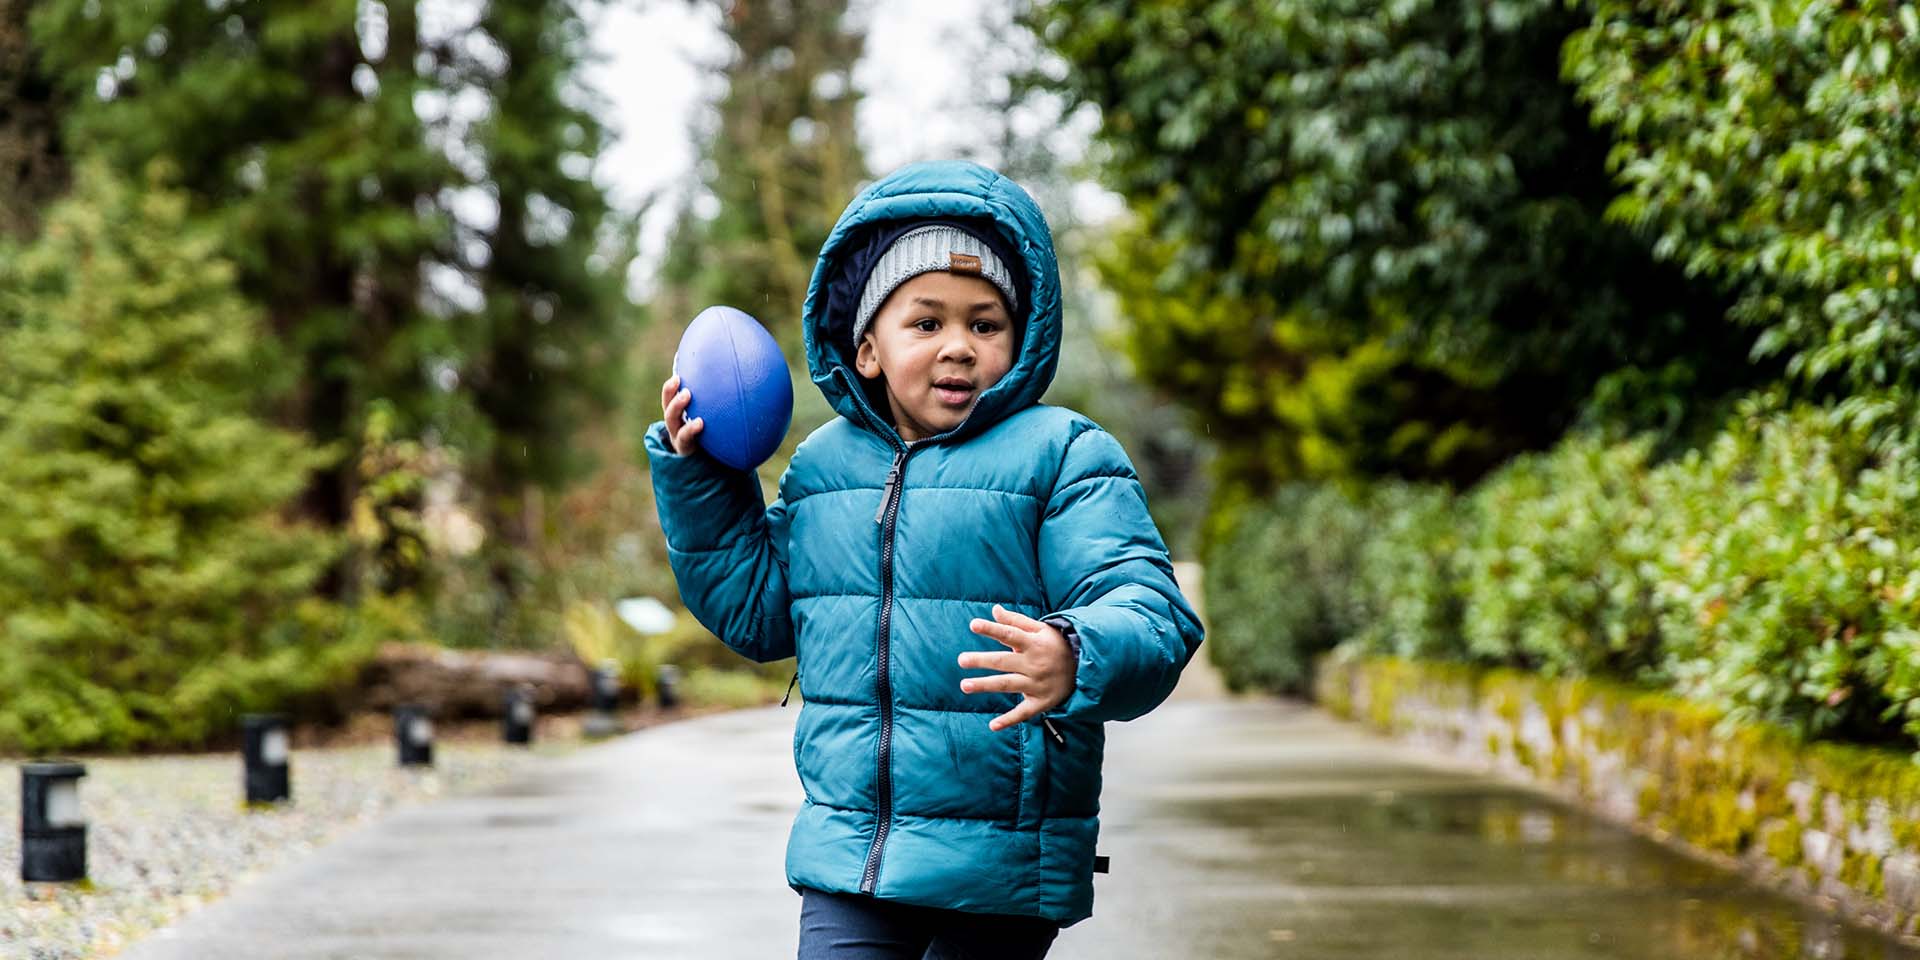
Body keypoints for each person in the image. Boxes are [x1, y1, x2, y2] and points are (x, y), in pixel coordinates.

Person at [644, 159, 1204, 959]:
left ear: (1022, 337)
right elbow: (759, 612)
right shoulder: (824, 468)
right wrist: (703, 476)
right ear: (867, 349)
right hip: (851, 858)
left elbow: (1150, 607)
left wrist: (1075, 652)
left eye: (985, 324)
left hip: (1000, 865)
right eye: (926, 323)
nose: (959, 347)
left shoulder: (1062, 455)